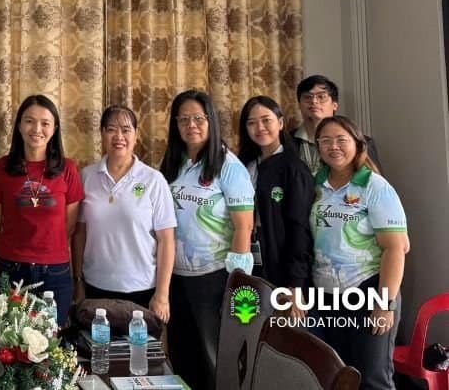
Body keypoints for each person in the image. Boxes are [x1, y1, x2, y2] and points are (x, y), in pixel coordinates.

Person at [159, 89, 254, 390]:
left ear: (211, 120)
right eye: (183, 119)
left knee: (213, 359)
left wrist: (235, 280)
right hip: (175, 276)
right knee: (181, 354)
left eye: (198, 118)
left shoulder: (229, 166)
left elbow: (244, 227)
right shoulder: (173, 163)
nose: (191, 125)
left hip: (213, 277)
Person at [310, 116, 408, 390]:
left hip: (368, 291)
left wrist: (385, 304)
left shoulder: (374, 186)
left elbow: (396, 247)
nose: (333, 146)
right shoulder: (315, 184)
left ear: (357, 143)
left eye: (341, 140)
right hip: (326, 295)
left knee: (372, 378)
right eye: (325, 141)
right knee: (337, 376)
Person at [0, 95, 84, 325]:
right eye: (29, 121)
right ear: (19, 126)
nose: (37, 129)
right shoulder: (1, 169)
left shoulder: (68, 169)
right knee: (7, 340)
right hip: (9, 270)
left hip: (55, 273)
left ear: (55, 129)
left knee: (51, 341)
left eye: (45, 123)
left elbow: (69, 228)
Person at [72, 105, 175, 322]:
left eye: (126, 130)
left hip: (142, 288)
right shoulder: (87, 176)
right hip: (95, 287)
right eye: (111, 129)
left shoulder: (153, 180)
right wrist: (78, 281)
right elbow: (79, 234)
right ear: (102, 134)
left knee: (140, 345)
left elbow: (166, 240)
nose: (119, 136)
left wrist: (162, 295)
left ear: (136, 136)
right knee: (96, 344)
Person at [236, 96, 314, 296]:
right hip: (246, 257)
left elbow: (300, 227)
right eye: (251, 123)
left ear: (280, 123)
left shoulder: (294, 168)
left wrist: (296, 282)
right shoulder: (242, 165)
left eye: (266, 120)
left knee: (278, 315)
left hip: (281, 266)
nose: (259, 128)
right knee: (247, 313)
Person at [292, 75, 381, 174]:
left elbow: (373, 178)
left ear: (334, 105)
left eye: (321, 97)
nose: (314, 101)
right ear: (299, 105)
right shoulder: (286, 140)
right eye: (307, 97)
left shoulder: (361, 142)